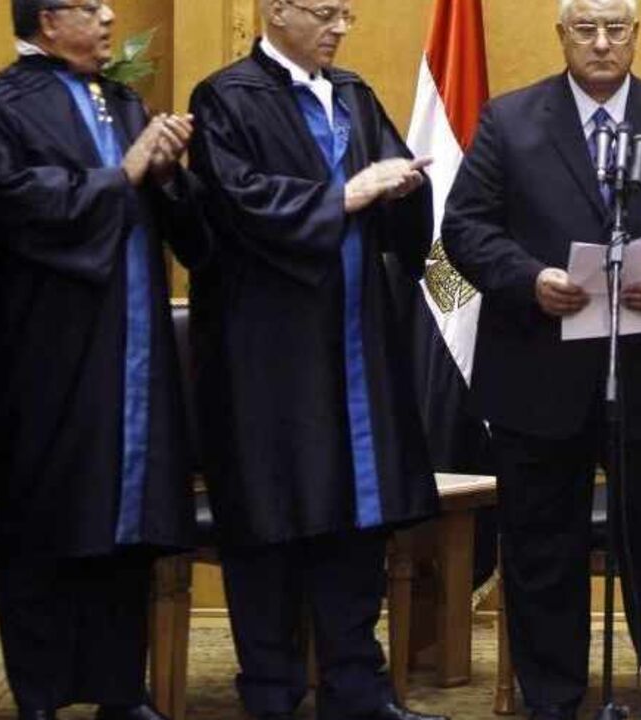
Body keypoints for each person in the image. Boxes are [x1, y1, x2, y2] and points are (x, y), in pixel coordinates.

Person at [442, 0, 641, 718]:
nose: (602, 43)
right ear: (563, 36)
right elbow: (464, 228)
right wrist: (526, 278)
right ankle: (552, 696)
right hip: (537, 372)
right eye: (586, 29)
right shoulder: (510, 120)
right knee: (543, 549)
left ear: (636, 35)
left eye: (616, 29)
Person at [186, 1, 444, 719]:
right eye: (324, 11)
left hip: (356, 342)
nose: (337, 27)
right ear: (276, 11)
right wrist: (348, 193)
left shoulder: (355, 94)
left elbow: (396, 206)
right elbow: (237, 206)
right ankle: (269, 690)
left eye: (345, 14)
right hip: (267, 351)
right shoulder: (225, 96)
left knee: (356, 519)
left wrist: (402, 189)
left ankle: (356, 688)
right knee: (272, 518)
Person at [0, 0, 209, 717]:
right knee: (45, 523)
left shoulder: (125, 101)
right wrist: (124, 172)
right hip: (47, 353)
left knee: (128, 528)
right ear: (47, 20)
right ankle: (38, 694)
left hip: (136, 352)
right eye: (89, 6)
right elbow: (14, 204)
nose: (107, 16)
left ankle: (118, 690)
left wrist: (165, 171)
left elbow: (180, 220)